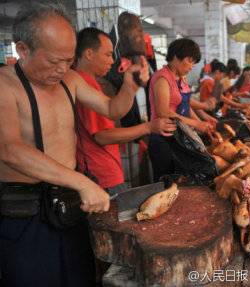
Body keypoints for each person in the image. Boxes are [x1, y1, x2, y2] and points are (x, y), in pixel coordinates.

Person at [0, 3, 149, 287]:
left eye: (68, 60)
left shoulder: (71, 79)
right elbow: (10, 149)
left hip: (69, 205)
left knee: (79, 275)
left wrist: (129, 87)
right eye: (53, 61)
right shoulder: (5, 85)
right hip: (25, 211)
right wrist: (82, 182)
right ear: (22, 49)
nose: (62, 69)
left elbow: (112, 109)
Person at [74, 27, 176, 196]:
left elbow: (113, 110)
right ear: (89, 54)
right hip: (101, 175)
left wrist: (131, 86)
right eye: (107, 54)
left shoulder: (90, 84)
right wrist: (148, 127)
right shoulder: (84, 84)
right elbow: (102, 136)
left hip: (104, 172)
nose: (113, 61)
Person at [148, 38, 213, 182]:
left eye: (193, 63)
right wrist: (197, 124)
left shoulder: (180, 79)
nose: (191, 66)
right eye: (190, 61)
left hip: (179, 138)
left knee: (181, 182)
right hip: (163, 139)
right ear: (177, 58)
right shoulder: (162, 78)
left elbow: (185, 104)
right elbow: (164, 112)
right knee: (165, 181)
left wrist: (201, 123)